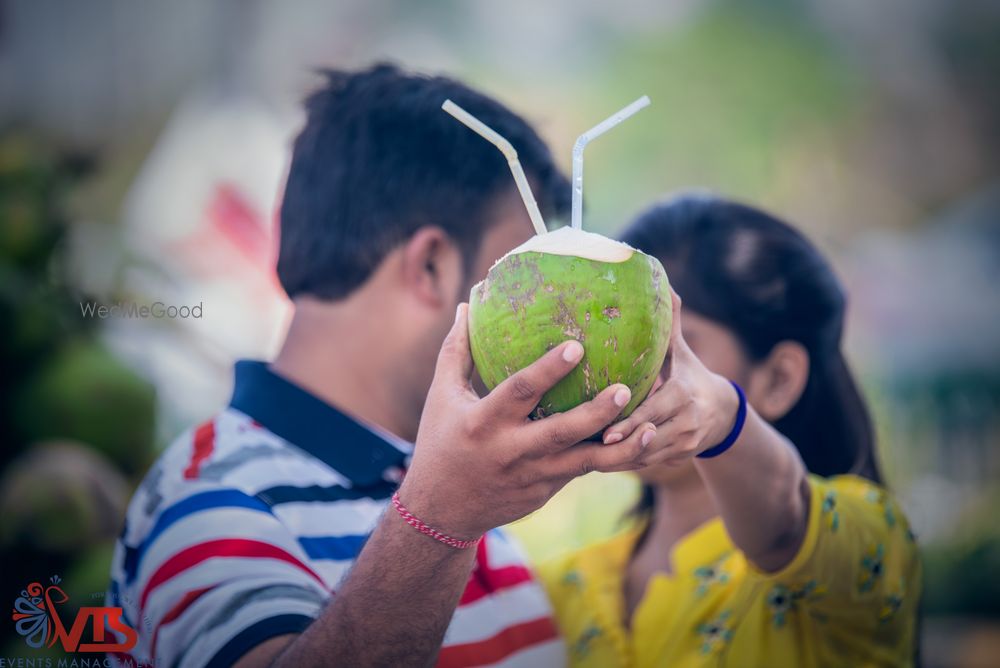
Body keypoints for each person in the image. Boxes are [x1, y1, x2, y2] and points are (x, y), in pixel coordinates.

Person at [107, 64, 660, 668]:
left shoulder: (449, 486)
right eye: (527, 272)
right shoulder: (206, 507)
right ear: (430, 266)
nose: (562, 312)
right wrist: (440, 521)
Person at [539, 194, 922, 667]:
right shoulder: (555, 592)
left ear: (779, 378)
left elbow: (782, 530)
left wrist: (724, 418)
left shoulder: (870, 545)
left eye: (664, 339)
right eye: (611, 331)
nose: (627, 367)